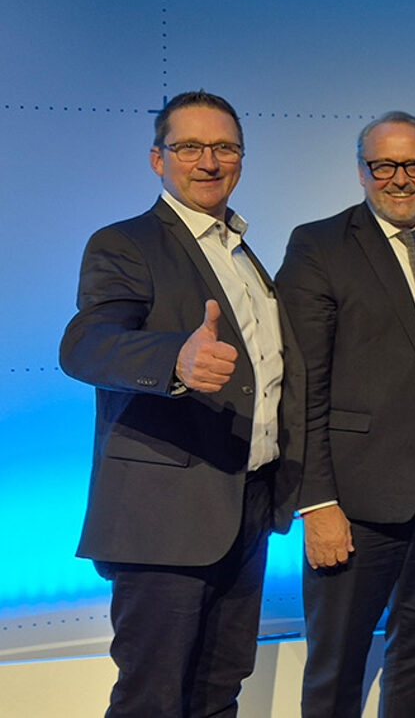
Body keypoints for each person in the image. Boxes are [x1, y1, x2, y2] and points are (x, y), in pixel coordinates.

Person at [59, 90, 305, 717]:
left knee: (219, 689)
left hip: (245, 504)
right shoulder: (126, 243)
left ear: (242, 159)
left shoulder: (242, 250)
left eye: (224, 147)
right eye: (189, 147)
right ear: (157, 159)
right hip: (165, 519)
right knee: (152, 699)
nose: (208, 161)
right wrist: (175, 360)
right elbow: (87, 345)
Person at [277, 111, 415, 717]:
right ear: (362, 170)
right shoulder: (319, 244)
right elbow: (303, 384)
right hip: (355, 500)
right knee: (338, 663)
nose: (400, 179)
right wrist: (317, 503)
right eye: (384, 166)